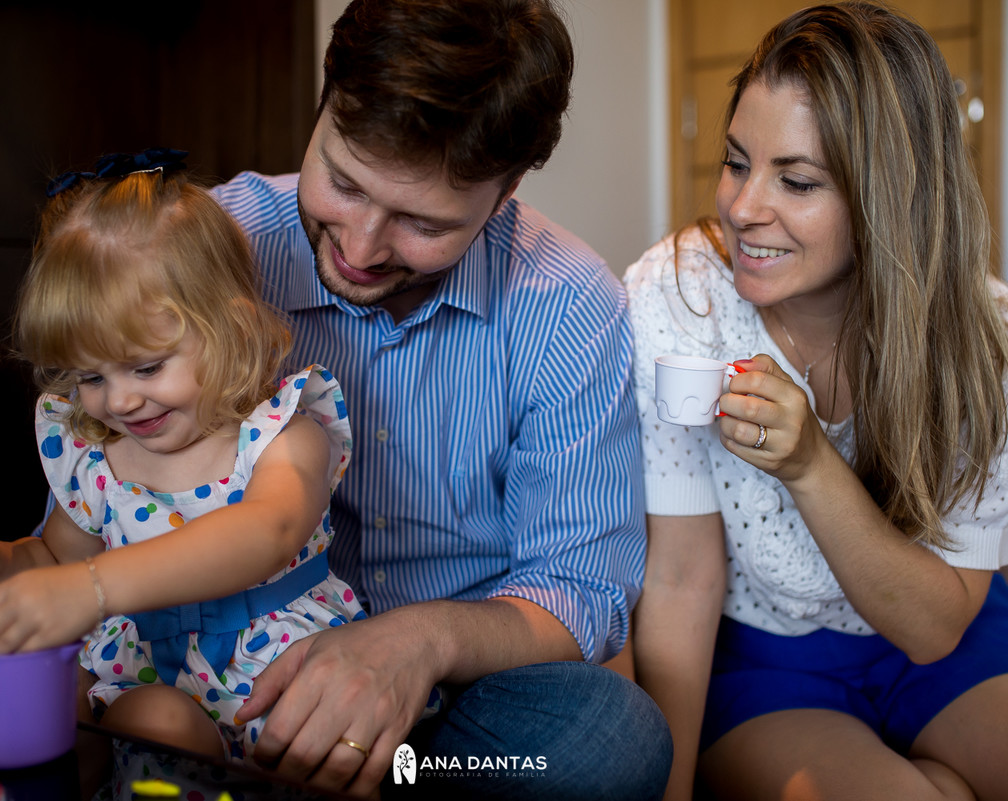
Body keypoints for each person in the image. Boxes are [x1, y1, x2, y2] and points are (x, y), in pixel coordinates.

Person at [205, 1, 669, 798]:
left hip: (452, 710)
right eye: (343, 183)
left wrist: (416, 643)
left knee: (613, 739)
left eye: (422, 223)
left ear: (507, 188)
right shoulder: (215, 248)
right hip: (225, 667)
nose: (359, 247)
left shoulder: (569, 304)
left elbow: (584, 590)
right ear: (324, 103)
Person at [625, 3, 1008, 800]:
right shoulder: (680, 297)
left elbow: (934, 628)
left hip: (944, 634)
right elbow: (682, 576)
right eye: (735, 162)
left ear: (891, 197)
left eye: (797, 180)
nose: (743, 207)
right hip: (765, 656)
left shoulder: (990, 344)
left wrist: (809, 465)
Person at [0, 151, 367, 767]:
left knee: (338, 757)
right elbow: (58, 566)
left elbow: (267, 531)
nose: (120, 400)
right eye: (90, 376)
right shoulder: (97, 454)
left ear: (232, 330)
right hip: (142, 678)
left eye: (147, 367)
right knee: (129, 715)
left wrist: (96, 587)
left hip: (278, 682)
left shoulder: (281, 433)